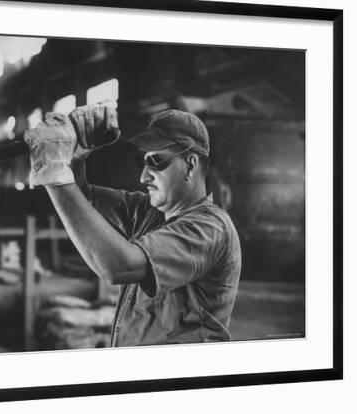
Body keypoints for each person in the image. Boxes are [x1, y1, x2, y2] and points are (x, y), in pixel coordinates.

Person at [24, 106, 241, 346]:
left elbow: (119, 267)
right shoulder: (151, 213)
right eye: (142, 161)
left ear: (190, 165)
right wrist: (76, 158)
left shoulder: (209, 229)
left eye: (156, 162)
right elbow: (83, 202)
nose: (143, 177)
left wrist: (54, 173)